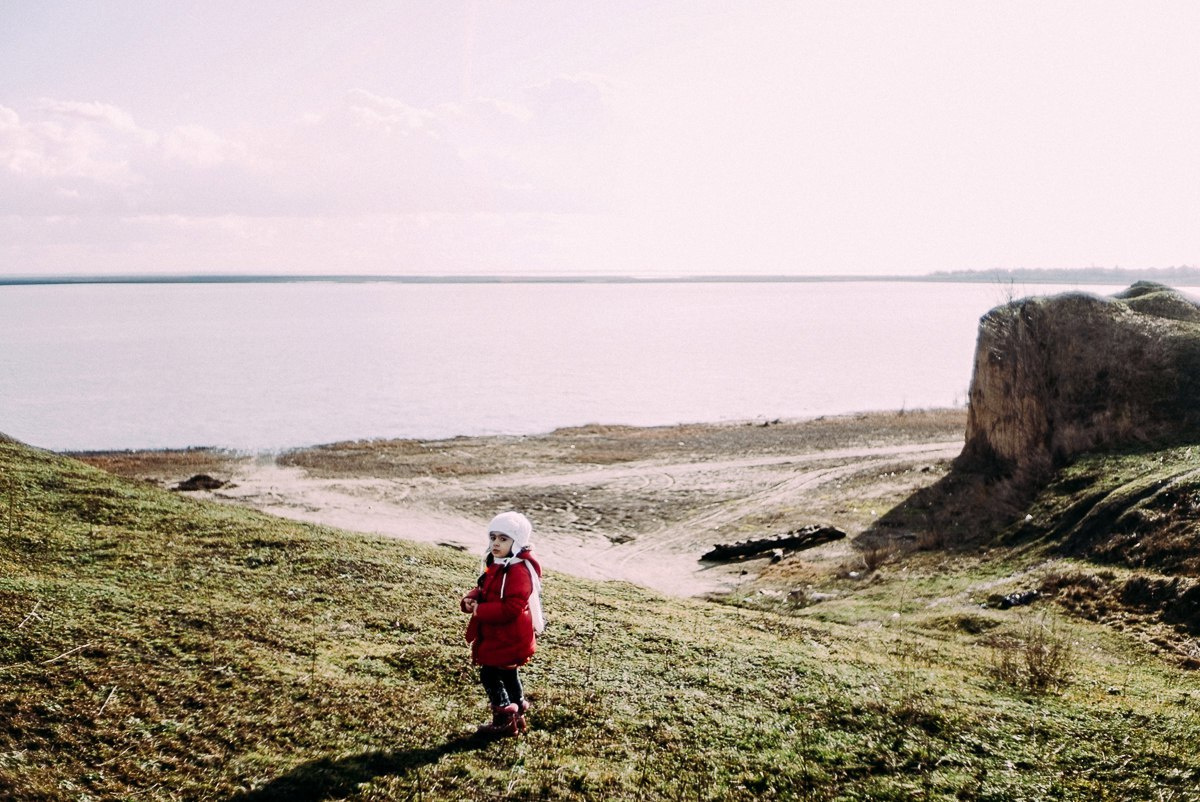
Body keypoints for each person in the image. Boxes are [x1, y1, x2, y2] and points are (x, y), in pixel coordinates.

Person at [460, 511, 544, 737]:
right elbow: (485, 586)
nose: (496, 543)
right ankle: (517, 714)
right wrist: (472, 598)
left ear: (516, 542)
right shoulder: (496, 563)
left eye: (503, 539)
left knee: (490, 674)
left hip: (509, 637)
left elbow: (512, 607)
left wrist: (481, 610)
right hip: (499, 634)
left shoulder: (518, 571)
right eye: (493, 537)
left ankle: (504, 718)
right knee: (508, 674)